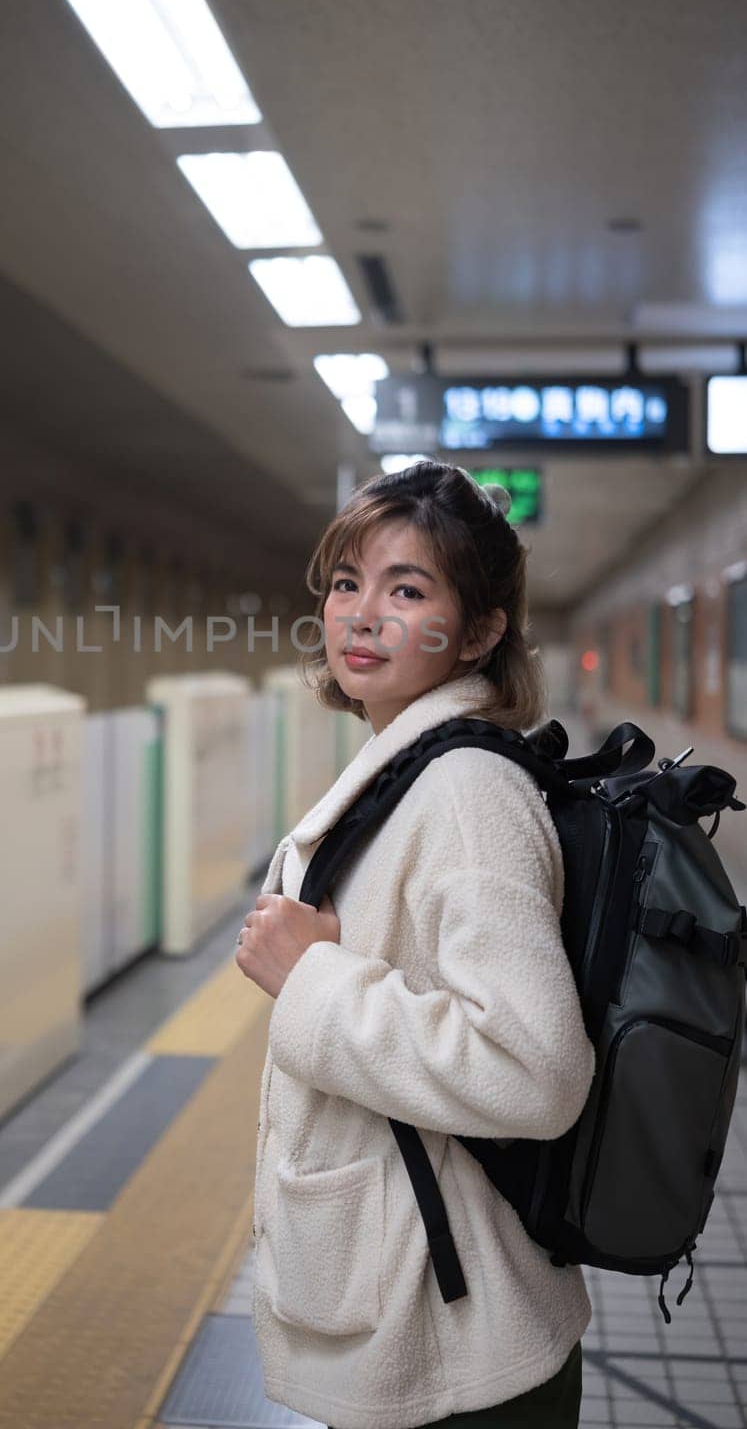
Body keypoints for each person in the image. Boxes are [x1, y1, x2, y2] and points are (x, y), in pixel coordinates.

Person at [235, 461, 593, 1429]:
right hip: (418, 1299)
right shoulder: (407, 767)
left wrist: (310, 978)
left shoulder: (467, 792)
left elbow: (534, 1072)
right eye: (346, 583)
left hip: (456, 1339)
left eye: (406, 589)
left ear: (477, 631)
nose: (360, 614)